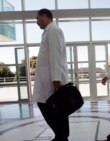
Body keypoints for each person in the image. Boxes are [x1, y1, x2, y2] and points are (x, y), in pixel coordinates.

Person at [32, 9, 69, 141]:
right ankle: (62, 135)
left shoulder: (53, 30)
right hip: (48, 77)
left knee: (47, 105)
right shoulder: (48, 31)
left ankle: (61, 135)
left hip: (52, 78)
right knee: (58, 107)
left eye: (37, 18)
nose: (36, 22)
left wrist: (56, 78)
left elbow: (56, 55)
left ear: (44, 16)